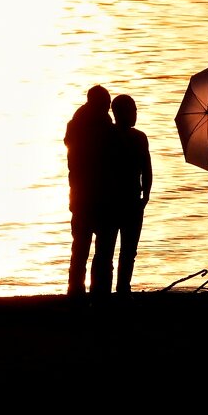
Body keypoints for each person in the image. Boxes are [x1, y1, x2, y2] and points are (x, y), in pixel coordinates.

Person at [96, 94, 152, 298]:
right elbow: (146, 169)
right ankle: (115, 290)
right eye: (133, 110)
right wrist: (145, 195)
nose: (136, 114)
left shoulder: (131, 137)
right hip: (119, 202)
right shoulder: (122, 137)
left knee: (118, 251)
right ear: (120, 113)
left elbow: (146, 169)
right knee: (114, 251)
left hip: (124, 202)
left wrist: (145, 195)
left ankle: (114, 290)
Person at [63, 85, 113, 300]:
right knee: (101, 248)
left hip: (80, 195)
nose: (109, 108)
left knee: (80, 247)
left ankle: (76, 290)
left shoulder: (75, 125)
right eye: (106, 104)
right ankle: (99, 292)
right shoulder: (102, 126)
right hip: (97, 195)